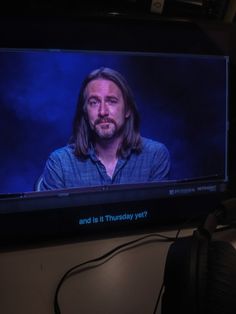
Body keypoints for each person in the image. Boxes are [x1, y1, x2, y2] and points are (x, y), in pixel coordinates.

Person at [38, 67, 171, 191]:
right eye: (94, 102)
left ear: (128, 110)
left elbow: (159, 215)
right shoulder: (60, 163)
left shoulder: (155, 156)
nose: (102, 112)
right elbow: (53, 216)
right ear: (85, 112)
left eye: (111, 101)